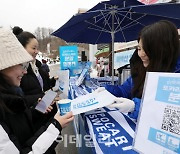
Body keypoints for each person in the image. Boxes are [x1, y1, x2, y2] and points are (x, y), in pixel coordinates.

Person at [0, 28, 74, 153]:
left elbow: (23, 125)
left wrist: (40, 107)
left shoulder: (12, 96)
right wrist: (55, 126)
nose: (24, 71)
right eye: (21, 65)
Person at [96, 20, 180, 120]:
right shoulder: (140, 68)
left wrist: (136, 107)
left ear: (163, 51)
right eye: (139, 49)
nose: (141, 54)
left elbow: (171, 112)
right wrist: (108, 91)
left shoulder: (176, 75)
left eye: (148, 49)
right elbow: (125, 90)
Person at [12, 26, 58, 130]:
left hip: (44, 115)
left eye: (37, 48)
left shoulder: (36, 65)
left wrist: (50, 96)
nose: (37, 51)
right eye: (33, 48)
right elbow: (18, 100)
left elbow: (42, 87)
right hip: (32, 121)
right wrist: (43, 99)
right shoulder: (16, 72)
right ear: (21, 48)